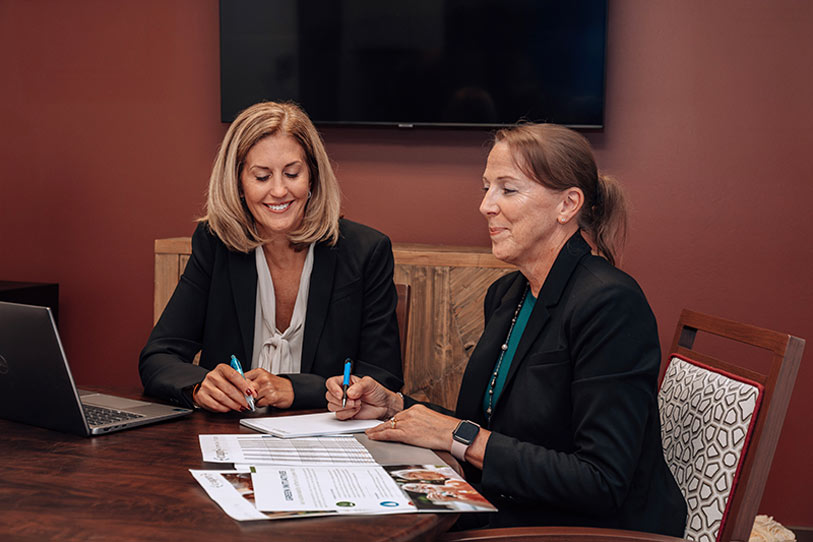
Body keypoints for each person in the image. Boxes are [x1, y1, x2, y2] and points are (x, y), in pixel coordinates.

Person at [326, 124, 687, 535]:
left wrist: (457, 435)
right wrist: (395, 406)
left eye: (507, 190)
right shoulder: (507, 293)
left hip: (590, 529)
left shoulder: (611, 304)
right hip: (517, 506)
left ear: (567, 205)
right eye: (486, 187)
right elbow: (491, 433)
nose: (485, 205)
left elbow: (600, 481)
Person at [140, 101, 403, 412]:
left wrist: (297, 389)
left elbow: (383, 379)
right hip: (229, 437)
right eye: (262, 177)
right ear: (238, 183)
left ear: (312, 178)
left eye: (292, 174)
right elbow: (158, 356)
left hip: (328, 440)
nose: (279, 191)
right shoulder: (215, 243)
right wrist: (199, 386)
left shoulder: (365, 251)